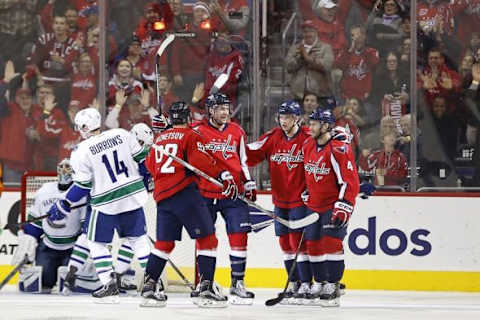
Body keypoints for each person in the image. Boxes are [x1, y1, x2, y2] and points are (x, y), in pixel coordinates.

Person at [47, 108, 151, 303]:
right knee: (138, 240)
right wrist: (148, 179)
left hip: (106, 202)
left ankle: (109, 286)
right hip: (132, 196)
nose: (79, 130)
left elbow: (82, 186)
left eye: (80, 127)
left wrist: (64, 202)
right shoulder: (120, 133)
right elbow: (143, 158)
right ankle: (153, 284)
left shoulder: (80, 151)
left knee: (95, 243)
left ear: (85, 127)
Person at [142, 101, 233, 308]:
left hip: (163, 198)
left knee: (164, 244)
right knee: (208, 239)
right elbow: (201, 161)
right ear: (189, 119)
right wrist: (222, 174)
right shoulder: (191, 136)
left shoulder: (160, 139)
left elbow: (149, 166)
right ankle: (206, 288)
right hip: (184, 194)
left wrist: (164, 134)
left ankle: (149, 286)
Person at [192, 93, 256, 304]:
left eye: (227, 108)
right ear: (210, 110)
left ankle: (237, 283)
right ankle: (204, 282)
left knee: (239, 237)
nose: (225, 112)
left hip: (232, 193)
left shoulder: (237, 131)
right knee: (206, 239)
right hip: (205, 193)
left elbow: (243, 161)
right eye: (220, 108)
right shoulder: (198, 131)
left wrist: (247, 181)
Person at [246, 100, 312, 304]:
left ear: (297, 118)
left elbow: (320, 160)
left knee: (298, 242)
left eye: (288, 117)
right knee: (285, 242)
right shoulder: (273, 136)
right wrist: (233, 147)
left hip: (300, 200)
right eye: (281, 117)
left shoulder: (308, 138)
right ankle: (293, 283)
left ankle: (306, 283)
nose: (284, 121)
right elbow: (251, 153)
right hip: (280, 200)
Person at [302, 108, 359, 306]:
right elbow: (308, 173)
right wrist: (307, 191)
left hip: (332, 205)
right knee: (312, 244)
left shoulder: (337, 149)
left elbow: (349, 181)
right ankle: (320, 282)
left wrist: (344, 205)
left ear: (326, 126)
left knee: (331, 243)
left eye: (315, 124)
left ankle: (333, 284)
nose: (311, 127)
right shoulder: (308, 144)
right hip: (314, 205)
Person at [11, 159, 88, 293]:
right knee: (43, 283)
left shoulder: (80, 193)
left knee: (70, 287)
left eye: (68, 167)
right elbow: (35, 225)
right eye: (61, 167)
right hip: (48, 247)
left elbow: (86, 228)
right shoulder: (44, 191)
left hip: (72, 249)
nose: (64, 171)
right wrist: (27, 241)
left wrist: (88, 249)